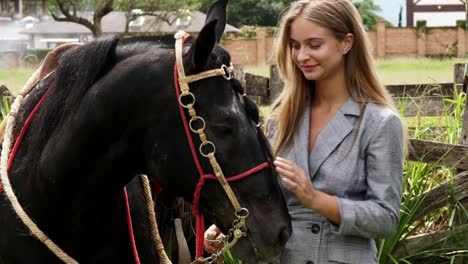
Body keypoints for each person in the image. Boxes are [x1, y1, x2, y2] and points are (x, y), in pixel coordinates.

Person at [205, 0, 407, 263]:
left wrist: (317, 200)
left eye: (314, 45)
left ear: (346, 43)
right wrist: (226, 227)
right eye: (295, 45)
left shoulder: (379, 122)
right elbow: (266, 196)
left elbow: (386, 218)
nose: (301, 56)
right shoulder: (280, 119)